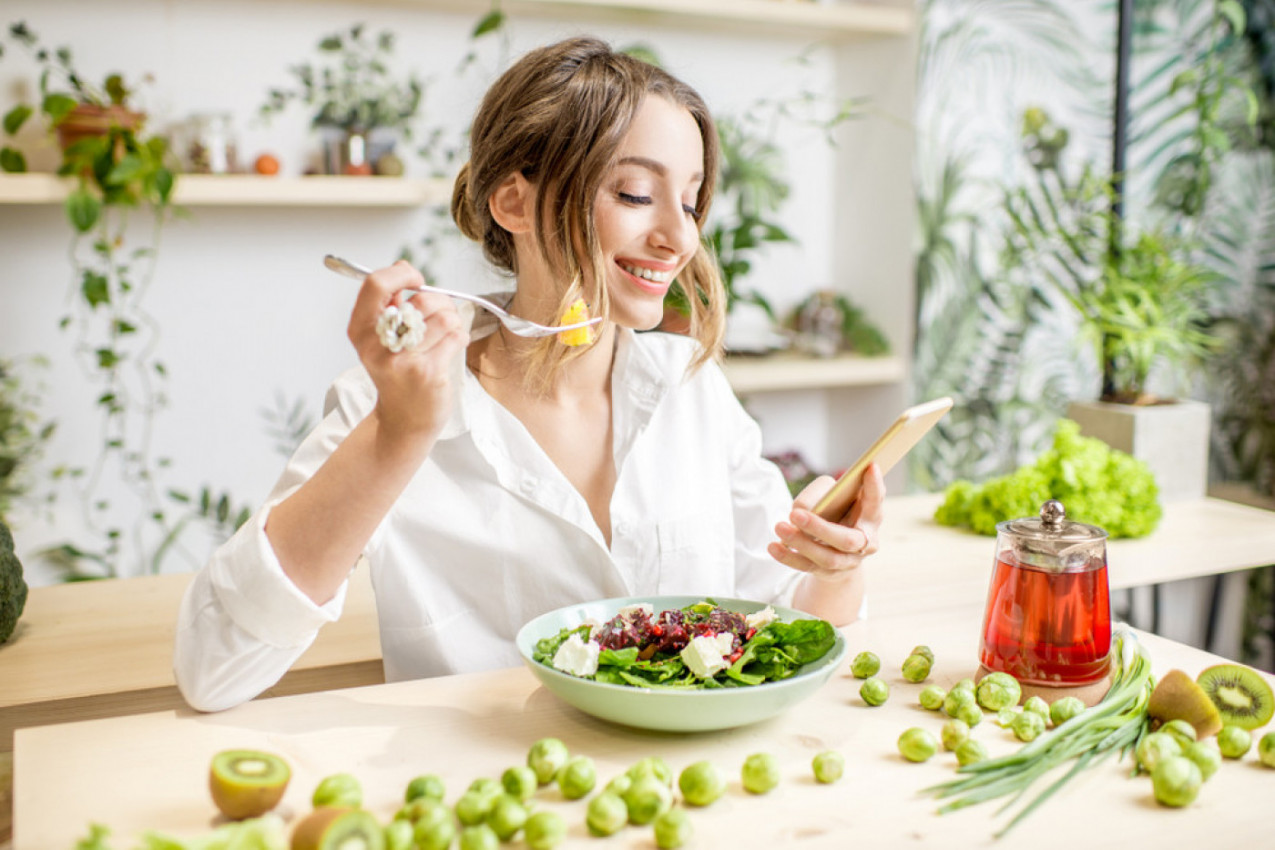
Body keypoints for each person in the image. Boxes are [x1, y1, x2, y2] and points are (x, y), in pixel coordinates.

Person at [174, 36, 884, 713]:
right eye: (636, 194)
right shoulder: (392, 405)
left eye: (691, 201)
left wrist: (834, 565)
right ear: (514, 202)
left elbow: (785, 621)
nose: (680, 237)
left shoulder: (691, 389)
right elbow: (212, 669)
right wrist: (398, 434)